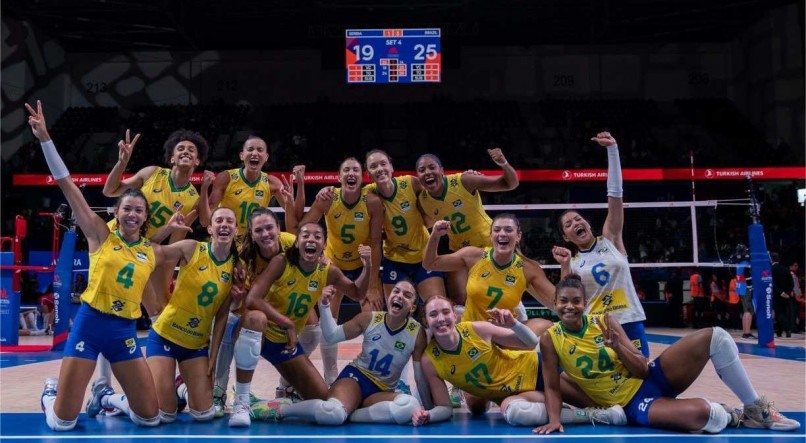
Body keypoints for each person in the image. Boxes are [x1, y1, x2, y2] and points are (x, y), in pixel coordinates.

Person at [28, 100, 162, 431]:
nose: (132, 214)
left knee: (150, 417)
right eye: (126, 208)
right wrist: (45, 137)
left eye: (138, 210)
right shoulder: (100, 235)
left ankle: (106, 398)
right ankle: (49, 395)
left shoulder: (152, 251)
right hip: (89, 324)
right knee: (62, 423)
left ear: (146, 218)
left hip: (124, 331)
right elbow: (66, 183)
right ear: (116, 213)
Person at [534, 274, 800, 434]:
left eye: (576, 301)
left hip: (651, 378)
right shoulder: (550, 339)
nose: (570, 307)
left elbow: (642, 368)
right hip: (632, 405)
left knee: (716, 336)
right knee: (704, 415)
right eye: (563, 301)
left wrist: (617, 347)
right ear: (554, 303)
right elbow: (553, 387)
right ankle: (731, 414)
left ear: (585, 302)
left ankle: (755, 407)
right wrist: (555, 420)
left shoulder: (604, 321)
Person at [229, 221, 373, 428]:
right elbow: (252, 299)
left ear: (324, 244)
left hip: (283, 344)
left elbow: (357, 292)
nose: (311, 239)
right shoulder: (281, 261)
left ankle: (268, 408)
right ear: (297, 243)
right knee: (255, 318)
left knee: (324, 402)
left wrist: (368, 266)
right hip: (260, 332)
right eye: (305, 235)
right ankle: (241, 402)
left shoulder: (328, 271)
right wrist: (287, 323)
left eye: (317, 236)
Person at [412, 295, 626, 427]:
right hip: (513, 395)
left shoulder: (476, 329)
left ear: (454, 315)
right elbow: (445, 408)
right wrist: (427, 415)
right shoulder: (430, 360)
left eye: (445, 311)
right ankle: (592, 417)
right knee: (516, 413)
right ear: (425, 321)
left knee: (602, 401)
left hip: (537, 370)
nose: (441, 319)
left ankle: (603, 406)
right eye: (433, 315)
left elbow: (530, 341)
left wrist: (513, 323)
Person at [250, 280, 426, 425]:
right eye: (396, 291)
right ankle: (280, 409)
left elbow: (419, 377)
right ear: (389, 296)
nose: (399, 296)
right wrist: (325, 307)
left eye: (407, 295)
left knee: (410, 406)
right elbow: (332, 335)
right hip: (356, 378)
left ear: (412, 308)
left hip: (381, 391)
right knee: (332, 414)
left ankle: (351, 413)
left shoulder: (417, 333)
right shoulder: (370, 319)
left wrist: (428, 411)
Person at [129, 206, 240, 424]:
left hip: (196, 345)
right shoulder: (192, 248)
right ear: (210, 228)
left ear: (236, 230)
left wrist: (213, 355)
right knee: (164, 415)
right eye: (219, 221)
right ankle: (114, 400)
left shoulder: (236, 268)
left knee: (205, 414)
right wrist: (167, 229)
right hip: (165, 336)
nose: (224, 225)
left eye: (229, 221)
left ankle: (180, 388)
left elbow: (222, 318)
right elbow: (152, 251)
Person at [552, 132, 649, 357]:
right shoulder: (573, 262)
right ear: (566, 237)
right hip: (596, 326)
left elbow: (615, 196)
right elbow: (564, 296)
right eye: (568, 224)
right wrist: (564, 264)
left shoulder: (611, 239)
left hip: (628, 319)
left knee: (640, 371)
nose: (575, 222)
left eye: (578, 218)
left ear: (587, 223)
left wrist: (612, 151)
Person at [291, 157, 384, 385]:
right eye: (346, 170)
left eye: (355, 170)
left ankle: (373, 373)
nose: (350, 173)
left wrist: (372, 284)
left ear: (361, 176)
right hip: (334, 266)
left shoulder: (372, 202)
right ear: (339, 176)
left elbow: (375, 242)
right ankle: (331, 375)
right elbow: (303, 227)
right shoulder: (328, 198)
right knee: (328, 321)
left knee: (374, 318)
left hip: (362, 265)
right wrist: (318, 250)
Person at [102, 128, 209, 317]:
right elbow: (110, 191)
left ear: (197, 161)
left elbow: (174, 243)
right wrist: (121, 163)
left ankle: (162, 340)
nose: (186, 151)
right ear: (172, 158)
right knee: (113, 297)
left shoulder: (193, 198)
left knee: (159, 304)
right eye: (181, 148)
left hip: (147, 246)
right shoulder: (152, 173)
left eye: (191, 150)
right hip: (117, 239)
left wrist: (164, 279)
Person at [210, 207, 299, 417]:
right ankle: (220, 391)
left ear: (279, 228)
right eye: (259, 230)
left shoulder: (292, 244)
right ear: (251, 233)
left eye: (270, 228)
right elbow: (234, 305)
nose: (265, 234)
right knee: (231, 319)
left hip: (284, 307)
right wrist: (236, 299)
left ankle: (285, 387)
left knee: (313, 323)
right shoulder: (241, 257)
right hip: (255, 310)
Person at [415, 148, 519, 309]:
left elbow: (510, 184)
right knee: (459, 299)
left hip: (488, 245)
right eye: (422, 170)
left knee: (501, 297)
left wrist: (503, 163)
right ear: (418, 176)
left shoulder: (464, 180)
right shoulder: (423, 201)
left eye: (431, 167)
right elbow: (424, 223)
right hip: (460, 251)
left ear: (441, 171)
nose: (427, 172)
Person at [423, 215, 556, 321]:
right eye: (497, 230)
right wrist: (435, 235)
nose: (502, 234)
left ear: (518, 236)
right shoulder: (473, 256)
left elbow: (558, 301)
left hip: (506, 334)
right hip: (473, 332)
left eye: (509, 230)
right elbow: (430, 264)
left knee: (544, 326)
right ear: (491, 235)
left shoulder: (528, 268)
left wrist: (566, 265)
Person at [363, 150, 446, 303]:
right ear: (368, 174)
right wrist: (328, 192)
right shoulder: (368, 195)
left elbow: (438, 187)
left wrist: (466, 176)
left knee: (437, 304)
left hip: (424, 256)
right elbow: (345, 197)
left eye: (383, 164)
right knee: (395, 312)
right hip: (394, 260)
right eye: (374, 166)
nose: (380, 168)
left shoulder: (410, 183)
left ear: (391, 167)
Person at [199, 135, 306, 233]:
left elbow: (296, 217)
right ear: (241, 155)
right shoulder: (226, 178)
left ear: (266, 157)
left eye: (260, 150)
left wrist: (300, 185)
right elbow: (205, 221)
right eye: (250, 149)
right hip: (227, 239)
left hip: (254, 242)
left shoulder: (272, 183)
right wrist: (204, 189)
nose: (254, 153)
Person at [771, 252, 795, 338]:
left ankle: (787, 329)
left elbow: (773, 284)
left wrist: (781, 293)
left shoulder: (772, 269)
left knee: (779, 313)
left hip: (777, 295)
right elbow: (792, 283)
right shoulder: (786, 269)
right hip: (786, 295)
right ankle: (779, 331)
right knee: (783, 313)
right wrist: (787, 292)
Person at [734, 246, 755, 339]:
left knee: (745, 310)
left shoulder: (738, 264)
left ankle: (745, 331)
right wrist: (750, 287)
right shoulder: (745, 263)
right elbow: (747, 276)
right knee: (749, 310)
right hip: (746, 289)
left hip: (740, 289)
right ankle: (747, 333)